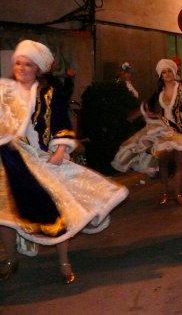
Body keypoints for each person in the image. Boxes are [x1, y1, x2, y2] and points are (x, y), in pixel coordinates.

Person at [0, 40, 128, 283]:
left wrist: (60, 151)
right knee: (5, 212)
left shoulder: (49, 94)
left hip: (42, 159)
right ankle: (10, 258)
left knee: (60, 210)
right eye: (18, 63)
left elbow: (60, 123)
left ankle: (64, 261)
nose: (22, 68)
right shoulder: (3, 91)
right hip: (8, 160)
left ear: (38, 68)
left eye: (28, 64)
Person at [112, 59, 182, 205]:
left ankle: (178, 194)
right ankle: (165, 193)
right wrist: (134, 116)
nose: (167, 74)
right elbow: (148, 106)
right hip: (162, 130)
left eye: (169, 71)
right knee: (163, 163)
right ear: (160, 75)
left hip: (178, 129)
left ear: (174, 72)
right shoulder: (158, 91)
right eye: (164, 72)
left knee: (180, 162)